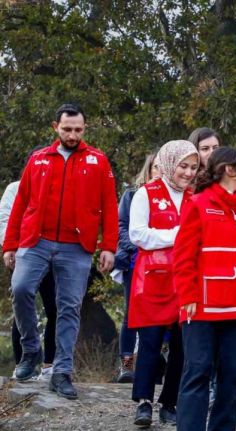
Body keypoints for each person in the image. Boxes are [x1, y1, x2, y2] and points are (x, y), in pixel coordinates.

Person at [2, 104, 118, 399]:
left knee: (69, 307)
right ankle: (31, 350)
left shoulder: (98, 161)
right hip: (36, 240)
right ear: (56, 126)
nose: (72, 135)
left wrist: (109, 247)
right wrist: (10, 245)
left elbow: (110, 206)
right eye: (67, 129)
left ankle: (62, 372)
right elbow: (21, 204)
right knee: (22, 288)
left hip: (76, 246)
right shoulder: (39, 158)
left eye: (78, 130)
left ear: (85, 129)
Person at [173, 147, 236, 431]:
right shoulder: (197, 204)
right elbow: (183, 255)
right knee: (198, 370)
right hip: (201, 306)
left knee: (235, 373)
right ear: (228, 169)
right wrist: (187, 295)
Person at [128, 140, 198, 427]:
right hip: (154, 280)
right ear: (169, 163)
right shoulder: (147, 193)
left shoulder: (195, 198)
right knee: (150, 342)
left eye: (193, 167)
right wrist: (177, 235)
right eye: (183, 166)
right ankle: (143, 402)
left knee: (183, 345)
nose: (188, 173)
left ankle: (170, 402)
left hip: (185, 281)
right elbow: (138, 234)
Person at [0, 147, 57, 382]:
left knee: (55, 308)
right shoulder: (15, 189)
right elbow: (4, 220)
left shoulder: (57, 188)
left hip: (55, 256)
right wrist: (11, 249)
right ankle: (25, 361)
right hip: (25, 255)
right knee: (23, 307)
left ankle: (50, 365)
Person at [113, 152, 160, 384]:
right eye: (155, 168)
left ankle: (155, 362)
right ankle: (126, 363)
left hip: (164, 263)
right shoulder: (132, 195)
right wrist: (136, 247)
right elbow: (121, 225)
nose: (159, 173)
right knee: (132, 312)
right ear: (148, 170)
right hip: (135, 260)